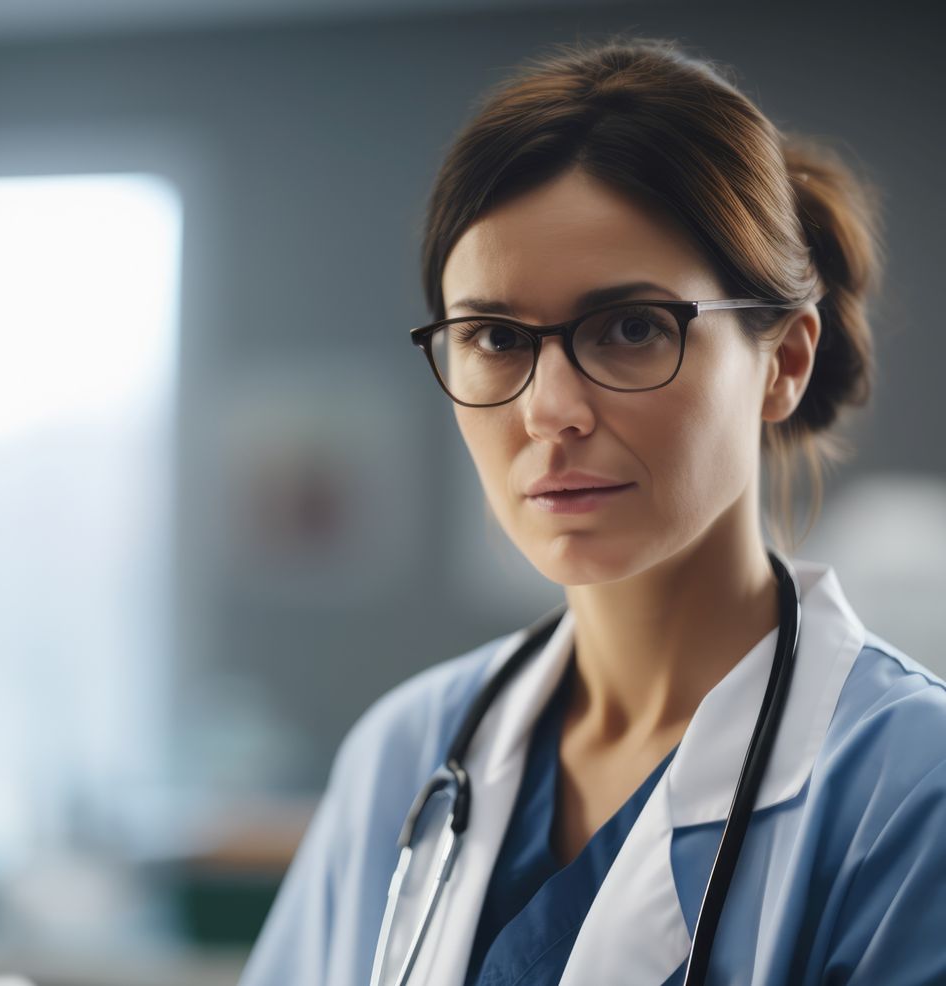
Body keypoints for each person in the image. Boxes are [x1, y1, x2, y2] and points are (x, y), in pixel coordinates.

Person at [238, 36, 946, 986]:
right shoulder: (405, 754)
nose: (549, 410)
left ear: (782, 362)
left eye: (631, 327)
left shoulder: (909, 790)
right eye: (493, 336)